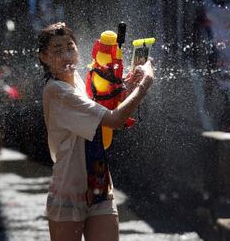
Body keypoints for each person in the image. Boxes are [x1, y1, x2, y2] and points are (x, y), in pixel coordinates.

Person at [38, 22, 154, 241]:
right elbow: (115, 119)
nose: (66, 55)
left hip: (99, 185)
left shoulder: (78, 81)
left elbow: (104, 109)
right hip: (68, 192)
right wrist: (145, 83)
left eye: (70, 47)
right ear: (44, 57)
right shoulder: (57, 91)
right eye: (57, 50)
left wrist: (127, 86)